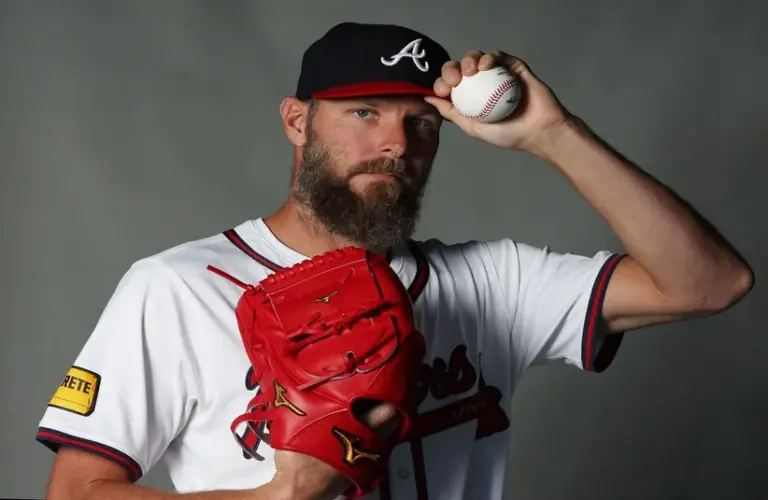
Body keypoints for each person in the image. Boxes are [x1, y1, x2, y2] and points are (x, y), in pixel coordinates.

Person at [36, 21, 753, 500]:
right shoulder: (178, 287)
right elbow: (76, 494)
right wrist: (278, 497)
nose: (396, 144)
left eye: (421, 122)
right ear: (297, 121)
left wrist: (554, 135)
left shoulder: (493, 283)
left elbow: (710, 283)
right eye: (364, 113)